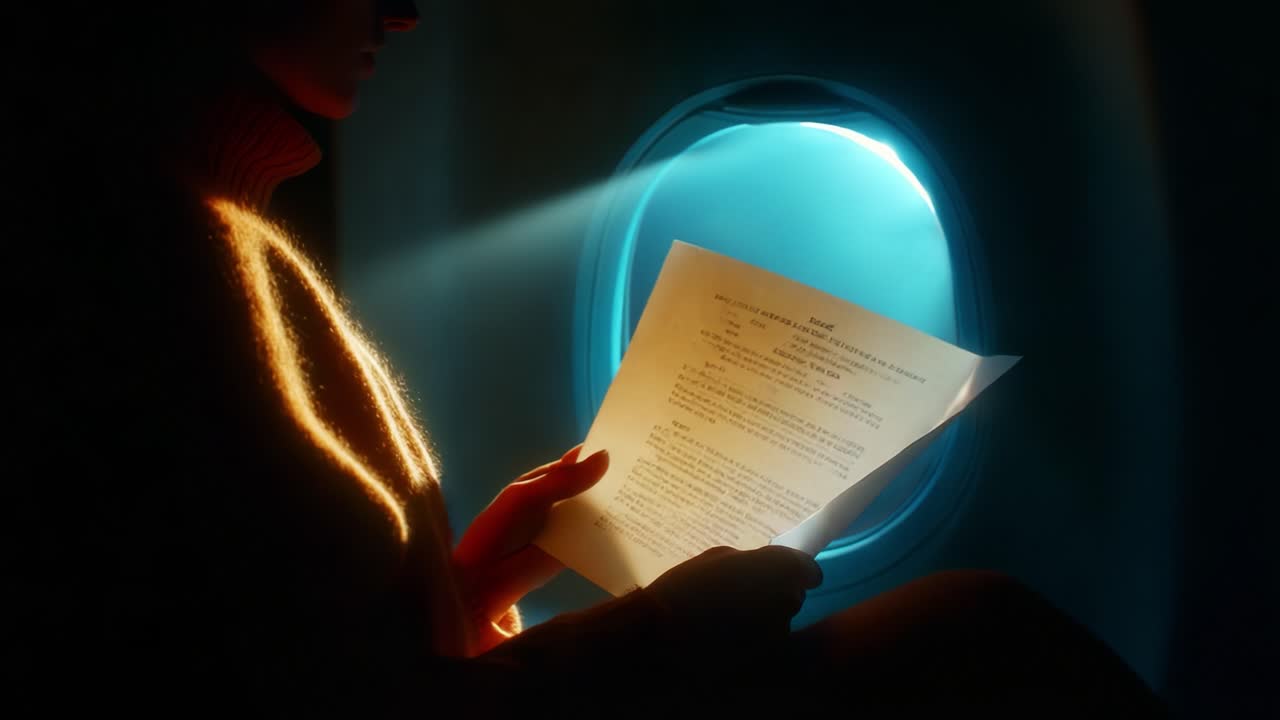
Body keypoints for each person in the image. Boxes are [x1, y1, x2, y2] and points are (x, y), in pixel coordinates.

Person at [10, 1, 1167, 716]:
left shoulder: (222, 226)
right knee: (971, 639)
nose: (406, 12)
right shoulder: (127, 273)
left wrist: (468, 590)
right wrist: (656, 640)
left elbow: (292, 635)